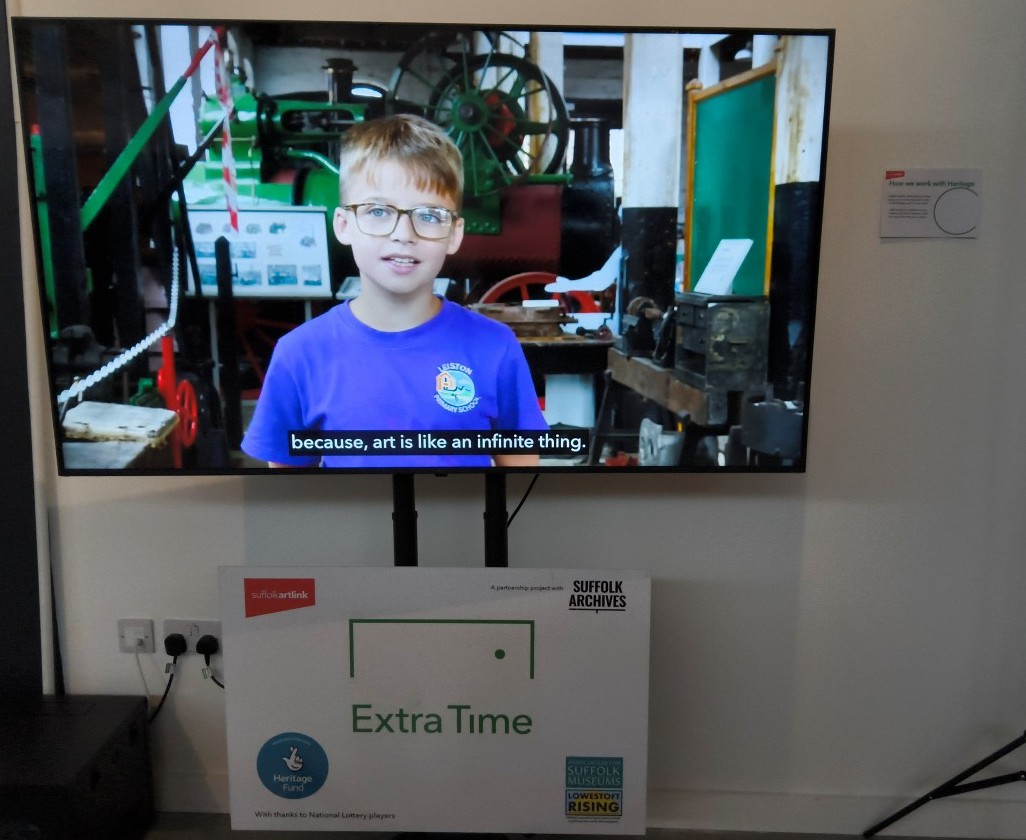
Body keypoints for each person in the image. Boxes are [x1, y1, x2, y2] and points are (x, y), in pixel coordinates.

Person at [241, 114, 547, 469]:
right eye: (378, 211)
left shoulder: (495, 347)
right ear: (343, 225)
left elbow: (522, 480)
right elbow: (289, 501)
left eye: (430, 216)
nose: (404, 233)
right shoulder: (299, 355)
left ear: (455, 234)